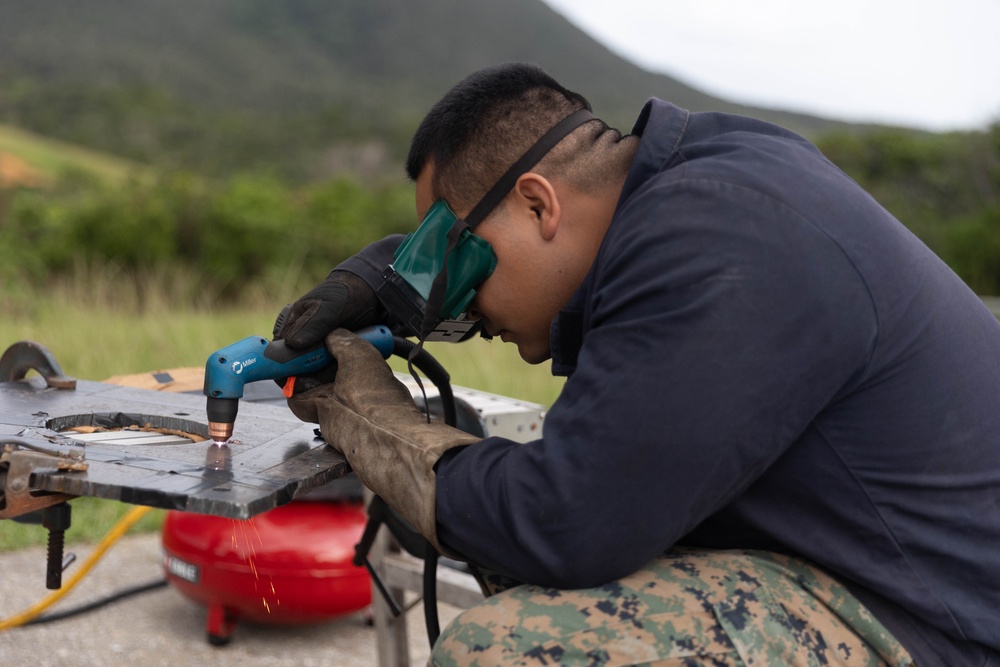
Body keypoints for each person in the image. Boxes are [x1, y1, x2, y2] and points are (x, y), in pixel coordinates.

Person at [281, 63, 1000, 666]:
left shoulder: (717, 233)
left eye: (455, 258)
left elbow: (567, 523)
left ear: (538, 204)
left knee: (515, 648)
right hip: (881, 575)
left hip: (941, 627)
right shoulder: (699, 192)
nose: (466, 303)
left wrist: (371, 418)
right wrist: (395, 276)